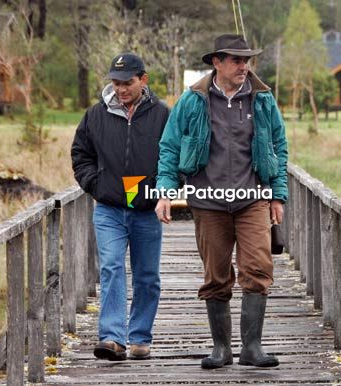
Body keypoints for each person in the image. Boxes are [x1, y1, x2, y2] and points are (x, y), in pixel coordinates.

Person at [155, 34, 288, 369]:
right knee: (215, 275)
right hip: (208, 201)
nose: (244, 66)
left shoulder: (262, 100)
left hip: (253, 199)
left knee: (258, 268)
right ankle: (221, 349)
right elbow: (169, 147)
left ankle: (252, 348)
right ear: (217, 62)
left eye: (247, 60)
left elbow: (278, 147)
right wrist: (165, 191)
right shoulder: (192, 100)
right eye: (236, 60)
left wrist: (277, 194)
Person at [71, 53, 169, 361]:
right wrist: (96, 184)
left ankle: (140, 337)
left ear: (144, 80)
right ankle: (112, 337)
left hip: (145, 207)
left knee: (147, 276)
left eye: (127, 83)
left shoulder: (162, 115)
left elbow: (173, 155)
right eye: (116, 83)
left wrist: (164, 190)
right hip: (110, 207)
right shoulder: (95, 115)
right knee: (111, 267)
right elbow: (80, 153)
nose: (121, 89)